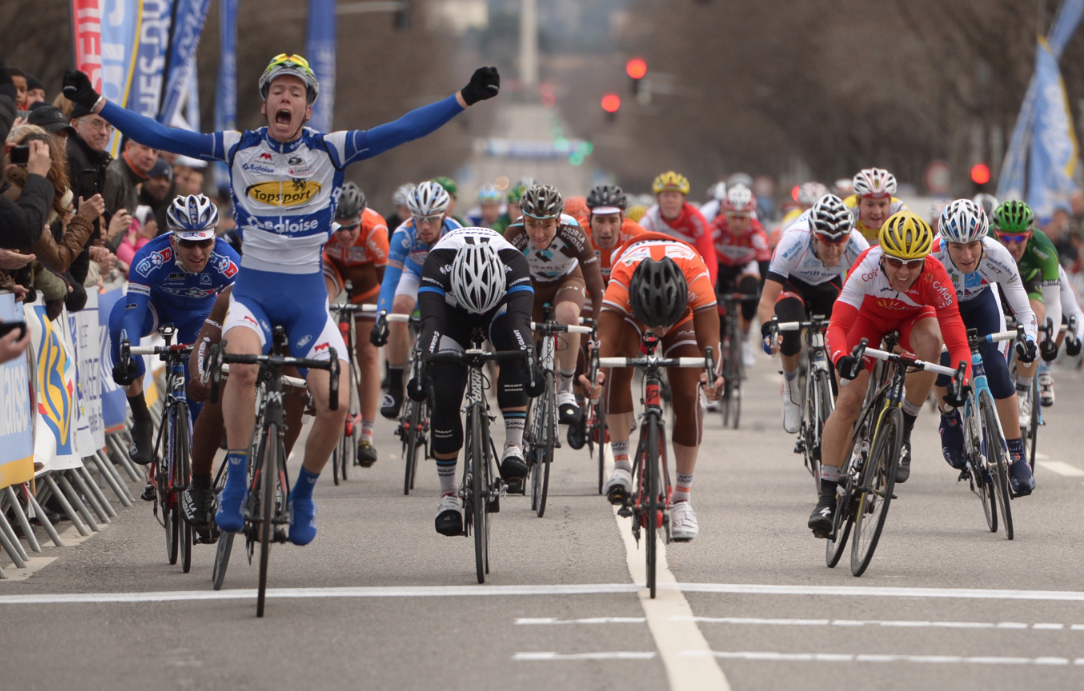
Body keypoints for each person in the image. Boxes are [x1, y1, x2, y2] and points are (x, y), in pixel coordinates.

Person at [65, 54, 501, 545]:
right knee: (244, 367)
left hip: (306, 300)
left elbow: (401, 129)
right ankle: (231, 485)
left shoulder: (330, 151)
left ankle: (302, 495)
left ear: (308, 108)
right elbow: (164, 136)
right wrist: (98, 103)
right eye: (278, 91)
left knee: (334, 402)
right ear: (265, 102)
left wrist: (464, 97)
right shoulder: (238, 147)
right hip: (252, 294)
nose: (286, 99)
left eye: (296, 92)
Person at [809, 211, 972, 537]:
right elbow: (837, 325)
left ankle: (905, 427)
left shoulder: (935, 274)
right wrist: (841, 359)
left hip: (913, 320)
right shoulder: (867, 267)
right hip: (867, 320)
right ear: (883, 256)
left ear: (924, 261)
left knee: (932, 342)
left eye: (913, 264)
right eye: (895, 262)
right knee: (849, 401)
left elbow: (956, 336)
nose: (903, 271)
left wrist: (962, 379)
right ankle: (826, 495)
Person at [589, 232, 725, 540]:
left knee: (689, 394)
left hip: (683, 313)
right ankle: (622, 463)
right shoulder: (621, 281)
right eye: (656, 325)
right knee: (613, 370)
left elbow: (711, 341)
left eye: (662, 326)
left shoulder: (696, 279)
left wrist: (712, 377)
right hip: (635, 311)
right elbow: (604, 342)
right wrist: (594, 375)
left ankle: (682, 500)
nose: (659, 331)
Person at [407, 227, 536, 534]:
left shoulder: (514, 263)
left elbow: (521, 329)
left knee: (514, 353)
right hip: (452, 315)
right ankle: (448, 495)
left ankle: (514, 446)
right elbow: (432, 328)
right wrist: (421, 370)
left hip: (498, 310)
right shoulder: (437, 262)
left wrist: (532, 366)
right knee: (447, 391)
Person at [108, 195, 240, 467]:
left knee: (199, 394)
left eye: (204, 242)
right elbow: (133, 315)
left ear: (214, 239)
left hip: (201, 316)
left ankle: (201, 475)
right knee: (118, 319)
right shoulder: (150, 257)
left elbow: (242, 315)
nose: (197, 252)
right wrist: (127, 359)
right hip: (157, 308)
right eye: (188, 243)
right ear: (173, 240)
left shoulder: (229, 262)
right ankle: (142, 419)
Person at [930, 199, 1037, 495]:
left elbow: (1025, 313)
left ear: (983, 241)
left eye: (973, 245)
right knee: (939, 362)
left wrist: (1029, 341)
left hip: (982, 305)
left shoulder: (997, 255)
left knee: (997, 368)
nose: (966, 255)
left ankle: (1016, 457)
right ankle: (949, 418)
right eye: (958, 247)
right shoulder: (931, 257)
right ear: (945, 244)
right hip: (944, 308)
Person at [757, 194, 868, 433]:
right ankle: (791, 385)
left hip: (829, 285)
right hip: (793, 283)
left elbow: (870, 296)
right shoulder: (793, 241)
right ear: (813, 236)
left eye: (840, 242)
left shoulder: (858, 245)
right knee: (790, 325)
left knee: (836, 344)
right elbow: (766, 300)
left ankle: (836, 414)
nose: (834, 250)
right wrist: (769, 331)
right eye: (827, 243)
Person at [503, 184, 603, 424]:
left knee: (568, 314)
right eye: (532, 224)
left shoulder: (573, 231)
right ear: (524, 219)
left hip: (567, 281)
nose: (539, 234)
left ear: (558, 221)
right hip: (530, 284)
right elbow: (501, 283)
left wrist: (599, 328)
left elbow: (596, 284)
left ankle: (566, 388)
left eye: (546, 225)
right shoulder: (513, 234)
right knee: (518, 321)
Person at [373, 180, 462, 419]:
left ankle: (435, 376)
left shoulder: (455, 233)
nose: (424, 226)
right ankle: (395, 386)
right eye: (418, 218)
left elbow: (461, 282)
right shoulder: (403, 234)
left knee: (445, 319)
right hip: (413, 274)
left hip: (444, 279)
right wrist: (381, 317)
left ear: (443, 216)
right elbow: (390, 282)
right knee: (399, 308)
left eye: (431, 219)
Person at [322, 181, 389, 465]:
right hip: (333, 269)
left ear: (361, 218)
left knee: (368, 352)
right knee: (319, 304)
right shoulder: (323, 226)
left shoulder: (376, 231)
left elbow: (387, 282)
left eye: (352, 226)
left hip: (367, 283)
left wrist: (382, 317)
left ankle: (367, 434)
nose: (346, 233)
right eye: (341, 227)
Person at [989, 201, 1062, 415]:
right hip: (997, 284)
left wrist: (1048, 338)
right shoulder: (986, 244)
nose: (1012, 246)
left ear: (1030, 234)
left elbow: (1053, 303)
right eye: (1005, 238)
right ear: (995, 233)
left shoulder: (1043, 246)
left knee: (1035, 319)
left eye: (1019, 238)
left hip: (1029, 284)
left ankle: (1022, 392)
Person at [712, 184, 771, 368]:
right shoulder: (715, 227)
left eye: (743, 217)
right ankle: (718, 349)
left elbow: (764, 265)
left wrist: (765, 295)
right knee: (713, 301)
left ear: (750, 216)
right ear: (725, 214)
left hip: (745, 267)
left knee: (752, 289)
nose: (737, 222)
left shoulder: (756, 231)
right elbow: (703, 254)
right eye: (733, 217)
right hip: (721, 267)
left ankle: (745, 337)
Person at [638, 171, 718, 283]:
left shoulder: (696, 219)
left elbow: (708, 254)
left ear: (683, 199)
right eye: (665, 196)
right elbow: (635, 249)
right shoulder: (649, 219)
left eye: (675, 196)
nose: (670, 200)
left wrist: (709, 287)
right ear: (658, 199)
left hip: (688, 272)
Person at [584, 184, 644, 285]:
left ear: (622, 220)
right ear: (589, 220)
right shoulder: (578, 233)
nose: (606, 229)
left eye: (613, 220)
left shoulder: (637, 235)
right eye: (600, 220)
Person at [842, 168, 907, 244]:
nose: (877, 212)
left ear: (890, 202)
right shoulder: (846, 210)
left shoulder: (899, 211)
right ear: (858, 202)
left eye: (882, 204)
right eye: (870, 205)